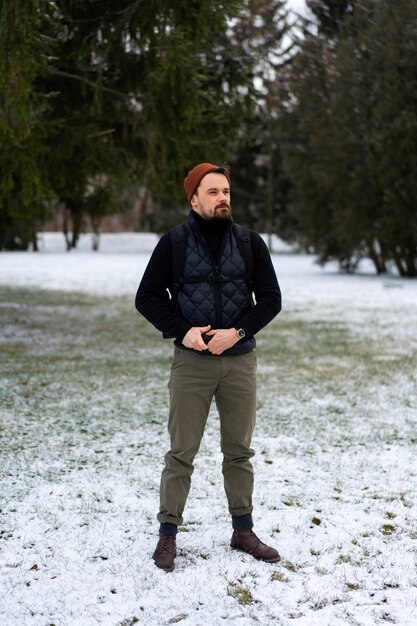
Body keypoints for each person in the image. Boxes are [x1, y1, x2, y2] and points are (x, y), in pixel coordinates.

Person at [135, 162, 282, 572]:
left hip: (239, 364)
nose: (223, 199)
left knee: (239, 452)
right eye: (213, 192)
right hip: (192, 365)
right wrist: (182, 331)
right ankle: (167, 536)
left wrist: (236, 331)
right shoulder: (174, 244)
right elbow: (146, 297)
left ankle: (243, 530)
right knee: (181, 453)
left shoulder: (251, 243)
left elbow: (271, 299)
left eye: (227, 192)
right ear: (194, 198)